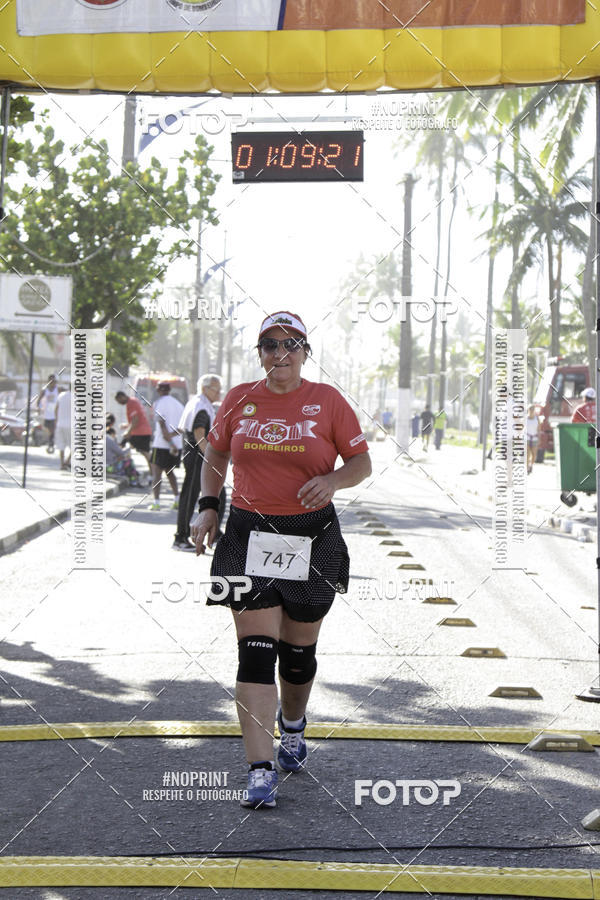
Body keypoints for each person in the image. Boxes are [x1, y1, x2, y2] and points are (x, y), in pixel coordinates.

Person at [190, 311, 371, 810]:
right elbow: (216, 454)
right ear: (260, 353)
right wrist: (209, 506)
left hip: (310, 535)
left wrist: (333, 481)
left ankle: (293, 725)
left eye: (290, 345)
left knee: (297, 655)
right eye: (269, 345)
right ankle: (259, 769)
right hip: (248, 532)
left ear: (305, 352)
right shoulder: (239, 399)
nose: (279, 354)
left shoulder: (328, 402)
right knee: (255, 653)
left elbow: (361, 462)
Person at [173, 373, 224, 551]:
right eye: (216, 389)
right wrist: (211, 459)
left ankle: (215, 532)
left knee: (218, 492)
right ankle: (181, 537)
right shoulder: (201, 406)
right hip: (197, 455)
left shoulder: (199, 403)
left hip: (195, 453)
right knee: (190, 495)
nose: (219, 393)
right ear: (205, 389)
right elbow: (198, 434)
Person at [149, 382, 183, 511]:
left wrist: (170, 443)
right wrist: (174, 442)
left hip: (162, 445)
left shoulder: (159, 403)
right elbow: (182, 428)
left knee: (156, 474)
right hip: (177, 444)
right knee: (170, 472)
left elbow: (162, 426)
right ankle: (177, 500)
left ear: (158, 390)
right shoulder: (179, 405)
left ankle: (156, 502)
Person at [115, 390, 153, 477]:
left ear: (122, 397)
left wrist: (127, 432)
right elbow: (135, 419)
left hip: (140, 432)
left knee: (122, 446)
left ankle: (119, 467)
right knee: (145, 452)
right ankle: (152, 473)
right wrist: (126, 426)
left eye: (119, 401)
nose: (120, 403)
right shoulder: (134, 400)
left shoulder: (131, 403)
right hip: (142, 431)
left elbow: (135, 420)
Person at [38, 373, 59, 453]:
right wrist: (39, 409)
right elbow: (39, 401)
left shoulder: (58, 389)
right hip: (47, 414)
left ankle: (51, 444)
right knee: (48, 429)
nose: (52, 383)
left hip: (55, 414)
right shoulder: (44, 390)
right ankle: (51, 441)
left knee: (52, 429)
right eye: (51, 381)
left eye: (54, 381)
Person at [54, 385, 71, 470]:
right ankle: (67, 461)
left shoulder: (61, 395)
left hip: (60, 424)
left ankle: (62, 464)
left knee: (61, 445)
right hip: (72, 425)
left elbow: (56, 409)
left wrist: (57, 420)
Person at [526, 405, 540, 474]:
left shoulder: (537, 418)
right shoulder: (525, 419)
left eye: (533, 410)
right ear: (528, 410)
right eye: (530, 409)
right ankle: (527, 467)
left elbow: (539, 429)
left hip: (534, 438)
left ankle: (531, 465)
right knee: (527, 453)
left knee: (534, 454)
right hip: (527, 438)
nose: (531, 411)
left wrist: (539, 438)